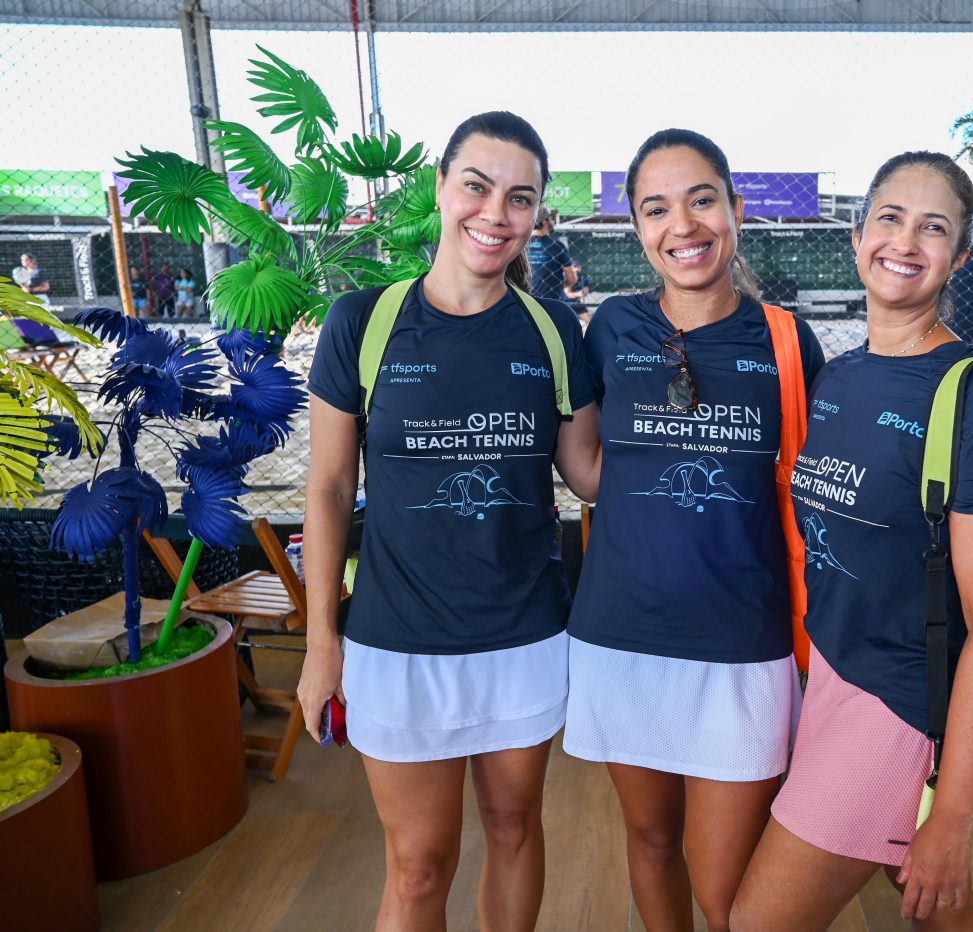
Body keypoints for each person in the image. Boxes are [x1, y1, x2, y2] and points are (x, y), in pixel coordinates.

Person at [296, 111, 600, 932]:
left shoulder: (550, 330)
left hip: (525, 633)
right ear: (440, 187)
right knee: (420, 866)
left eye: (520, 197)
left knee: (512, 827)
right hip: (398, 641)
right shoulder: (363, 322)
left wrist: (713, 435)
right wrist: (323, 641)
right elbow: (326, 490)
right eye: (477, 185)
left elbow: (588, 473)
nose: (495, 213)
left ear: (538, 215)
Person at [731, 151, 973, 932]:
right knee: (933, 906)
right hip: (832, 672)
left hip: (899, 704)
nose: (906, 241)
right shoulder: (842, 376)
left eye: (934, 228)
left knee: (757, 922)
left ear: (960, 257)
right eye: (891, 219)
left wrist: (954, 817)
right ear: (859, 233)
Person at [564, 128, 824, 932]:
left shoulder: (783, 339)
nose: (683, 224)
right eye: (657, 208)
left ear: (736, 210)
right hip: (622, 635)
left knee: (729, 891)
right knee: (649, 839)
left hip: (742, 644)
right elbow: (587, 470)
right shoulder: (610, 327)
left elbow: (810, 489)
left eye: (701, 199)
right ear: (638, 228)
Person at [526, 207, 578, 302]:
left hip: (524, 301)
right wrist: (560, 286)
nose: (552, 221)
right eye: (551, 218)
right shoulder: (557, 246)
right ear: (545, 222)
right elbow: (572, 278)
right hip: (552, 302)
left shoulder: (519, 246)